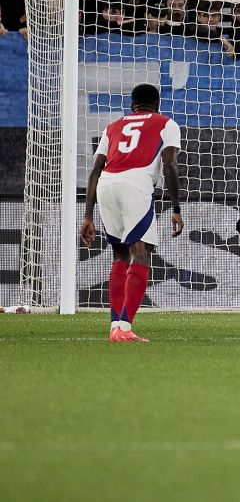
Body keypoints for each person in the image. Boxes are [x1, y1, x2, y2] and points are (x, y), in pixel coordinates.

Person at [79, 83, 184, 343]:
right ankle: (124, 328)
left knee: (120, 254)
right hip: (135, 185)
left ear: (131, 105)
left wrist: (88, 215)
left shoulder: (112, 127)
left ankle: (116, 325)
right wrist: (175, 207)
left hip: (106, 186)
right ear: (157, 104)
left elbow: (95, 170)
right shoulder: (166, 123)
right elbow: (169, 164)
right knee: (140, 253)